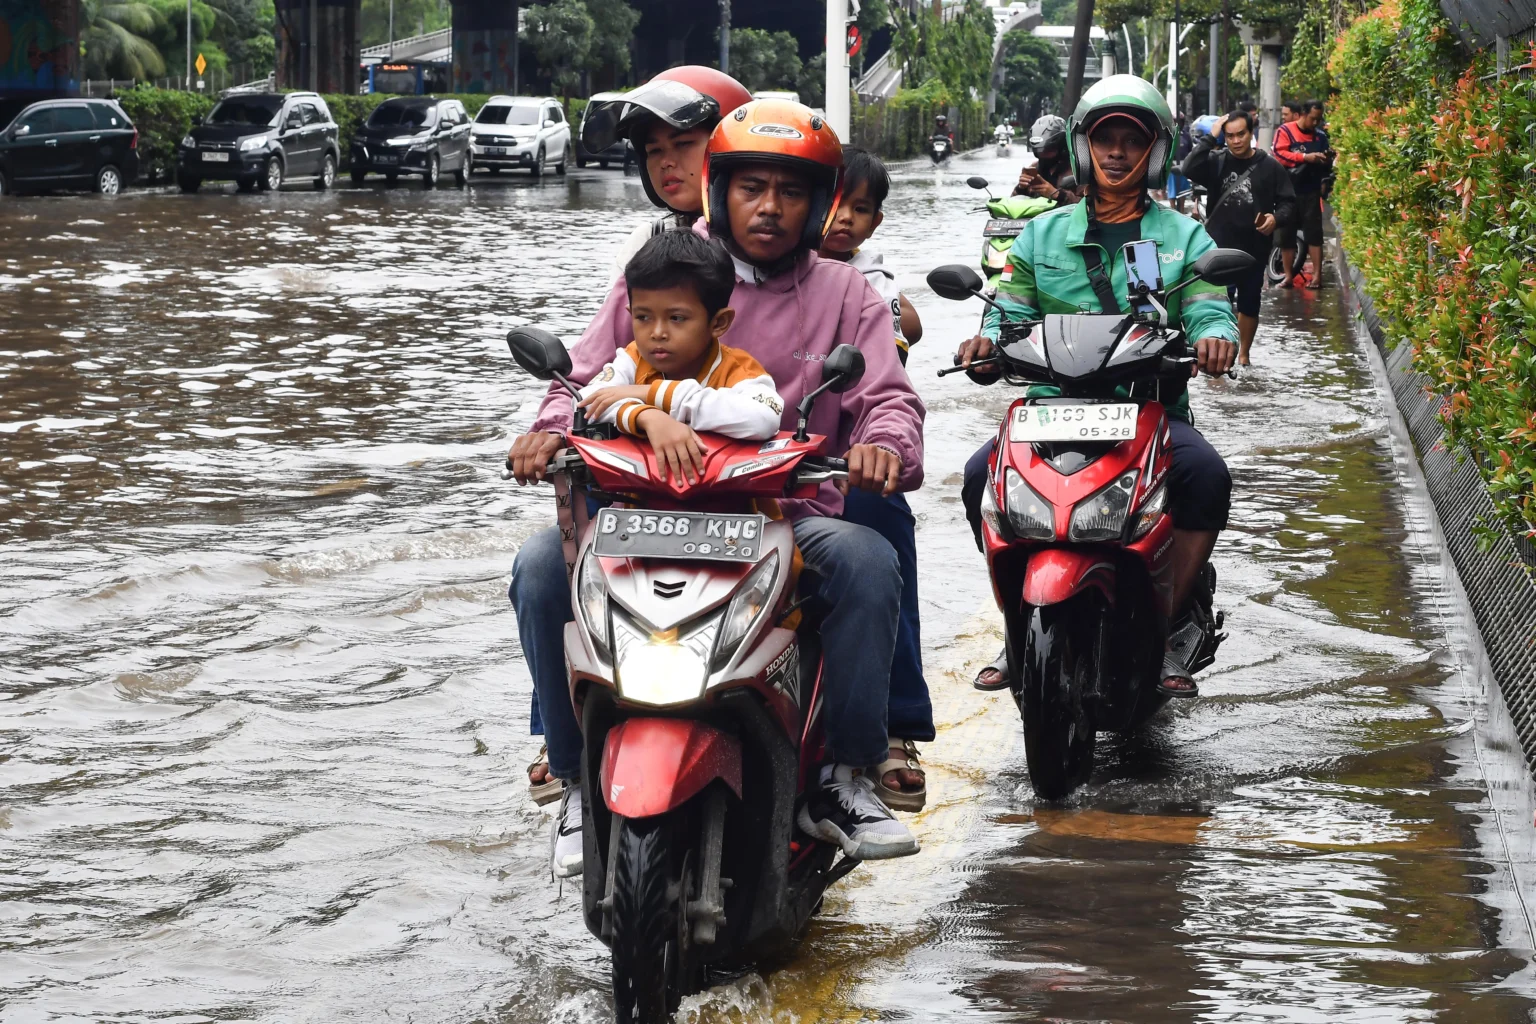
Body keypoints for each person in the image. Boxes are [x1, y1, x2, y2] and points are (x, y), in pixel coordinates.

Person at [507, 99, 927, 875]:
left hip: (784, 516)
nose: (769, 208)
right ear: (720, 189)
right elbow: (584, 376)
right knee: (538, 568)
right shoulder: (662, 268)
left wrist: (881, 446)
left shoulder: (848, 292)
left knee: (868, 561)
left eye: (790, 192)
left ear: (818, 204)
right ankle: (573, 778)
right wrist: (548, 432)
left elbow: (889, 399)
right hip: (642, 515)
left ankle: (845, 776)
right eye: (751, 188)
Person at [955, 75, 1238, 696]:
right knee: (979, 477)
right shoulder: (1040, 235)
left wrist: (1217, 339)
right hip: (1051, 411)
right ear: (1083, 147)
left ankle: (1167, 626)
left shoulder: (1183, 236)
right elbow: (1006, 313)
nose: (1116, 152)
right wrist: (985, 346)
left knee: (1206, 477)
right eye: (1104, 139)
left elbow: (1209, 307)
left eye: (1131, 141)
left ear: (1154, 153)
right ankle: (1016, 626)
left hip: (1151, 411)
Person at [579, 65, 754, 281]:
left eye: (683, 144)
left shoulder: (774, 242)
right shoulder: (647, 242)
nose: (665, 163)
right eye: (654, 151)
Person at [1181, 108, 1295, 366]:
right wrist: (1211, 137)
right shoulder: (1217, 161)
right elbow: (1189, 167)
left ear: (1250, 133)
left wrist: (1275, 219)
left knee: (1249, 303)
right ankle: (1219, 354)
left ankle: (1243, 354)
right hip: (1217, 248)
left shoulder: (1270, 167)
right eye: (1230, 136)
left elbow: (1288, 202)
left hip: (1254, 248)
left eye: (1240, 134)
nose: (1235, 140)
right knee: (1217, 301)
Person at [1272, 99, 1333, 288]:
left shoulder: (1320, 137)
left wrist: (1325, 163)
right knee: (1286, 236)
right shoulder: (1285, 131)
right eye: (1312, 118)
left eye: (1318, 119)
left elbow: (1327, 165)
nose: (1315, 123)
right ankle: (1288, 276)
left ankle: (1317, 277)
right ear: (1303, 114)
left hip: (1311, 192)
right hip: (1287, 193)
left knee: (1314, 235)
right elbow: (1279, 155)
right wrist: (1305, 157)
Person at [1015, 113, 1079, 205]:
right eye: (1039, 150)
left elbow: (1089, 205)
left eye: (1048, 150)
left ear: (1062, 147)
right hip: (1038, 214)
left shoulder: (1077, 169)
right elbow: (1014, 202)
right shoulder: (1035, 167)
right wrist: (1021, 188)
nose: (1043, 154)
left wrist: (1058, 195)